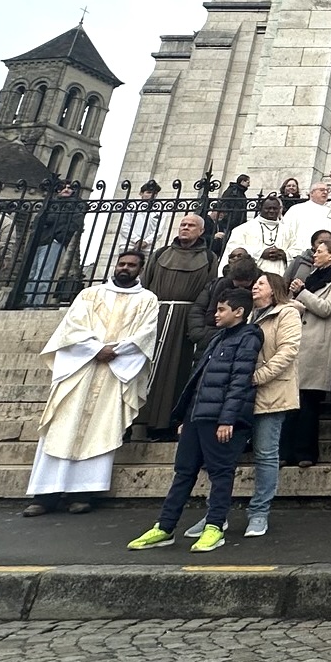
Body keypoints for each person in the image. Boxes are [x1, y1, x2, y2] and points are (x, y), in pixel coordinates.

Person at [22, 249, 160, 516]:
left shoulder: (147, 300)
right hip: (80, 369)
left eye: (132, 265)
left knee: (101, 428)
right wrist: (95, 349)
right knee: (62, 426)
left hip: (114, 372)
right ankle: (45, 495)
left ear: (140, 270)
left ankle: (83, 492)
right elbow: (72, 327)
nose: (125, 268)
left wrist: (115, 352)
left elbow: (146, 334)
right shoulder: (89, 295)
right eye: (122, 263)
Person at [127, 288, 263, 553]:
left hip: (221, 420)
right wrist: (185, 416)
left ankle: (215, 526)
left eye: (222, 309)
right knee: (184, 472)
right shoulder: (218, 338)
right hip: (197, 417)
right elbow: (199, 379)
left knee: (221, 473)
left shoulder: (249, 337)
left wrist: (228, 420)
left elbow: (240, 381)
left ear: (239, 312)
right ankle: (165, 527)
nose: (215, 313)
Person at [136, 214, 217, 438]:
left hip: (186, 319)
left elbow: (208, 291)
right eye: (183, 224)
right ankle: (138, 420)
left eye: (191, 226)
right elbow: (145, 284)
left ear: (201, 231)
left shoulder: (209, 258)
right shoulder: (161, 254)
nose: (185, 228)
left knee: (177, 370)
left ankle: (166, 423)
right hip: (157, 315)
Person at [234, 270, 300, 536]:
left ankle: (259, 512)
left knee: (266, 454)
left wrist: (257, 377)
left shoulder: (287, 313)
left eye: (261, 283)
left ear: (274, 288)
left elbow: (288, 351)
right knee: (226, 457)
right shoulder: (249, 316)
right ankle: (215, 514)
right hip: (242, 394)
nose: (254, 287)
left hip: (271, 392)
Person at [282, 238, 331, 469]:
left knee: (309, 403)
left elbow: (327, 308)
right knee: (290, 402)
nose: (315, 255)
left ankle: (306, 452)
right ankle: (285, 451)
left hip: (318, 345)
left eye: (319, 251)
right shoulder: (311, 276)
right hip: (298, 343)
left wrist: (301, 294)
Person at [220, 195, 287, 275]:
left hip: (280, 275)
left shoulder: (287, 230)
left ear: (280, 210)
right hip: (251, 276)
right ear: (260, 208)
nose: (271, 211)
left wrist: (283, 254)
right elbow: (233, 250)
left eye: (275, 208)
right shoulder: (243, 229)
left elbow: (296, 250)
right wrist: (260, 253)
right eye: (268, 208)